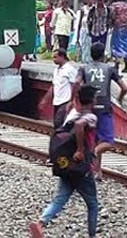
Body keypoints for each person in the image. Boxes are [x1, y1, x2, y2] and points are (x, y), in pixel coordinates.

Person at [29, 85, 101, 238]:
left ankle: (41, 223)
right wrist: (81, 149)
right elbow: (80, 126)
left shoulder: (72, 114)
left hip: (66, 165)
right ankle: (92, 235)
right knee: (93, 203)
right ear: (91, 101)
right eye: (95, 98)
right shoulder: (90, 117)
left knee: (60, 199)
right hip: (81, 168)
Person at [78, 42, 127, 180]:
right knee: (107, 141)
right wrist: (119, 99)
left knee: (94, 139)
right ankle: (93, 154)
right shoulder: (109, 69)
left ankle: (97, 171)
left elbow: (77, 84)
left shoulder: (84, 68)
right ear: (103, 55)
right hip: (105, 108)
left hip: (89, 108)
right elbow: (124, 88)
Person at [40, 49, 79, 129]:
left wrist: (73, 100)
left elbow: (75, 85)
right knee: (56, 123)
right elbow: (54, 86)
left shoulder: (70, 70)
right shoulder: (56, 70)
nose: (54, 60)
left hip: (65, 101)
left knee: (59, 122)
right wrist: (45, 100)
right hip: (57, 100)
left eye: (55, 57)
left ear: (62, 57)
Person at [110, 0, 127, 73]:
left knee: (116, 46)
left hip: (117, 28)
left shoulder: (114, 5)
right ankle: (126, 66)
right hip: (126, 28)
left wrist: (111, 23)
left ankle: (116, 64)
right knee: (126, 46)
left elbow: (112, 16)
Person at [76, 0, 94, 64]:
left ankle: (90, 60)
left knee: (90, 45)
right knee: (83, 45)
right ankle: (84, 60)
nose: (90, 1)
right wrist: (78, 33)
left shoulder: (94, 8)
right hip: (83, 29)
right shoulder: (83, 9)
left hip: (91, 30)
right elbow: (80, 20)